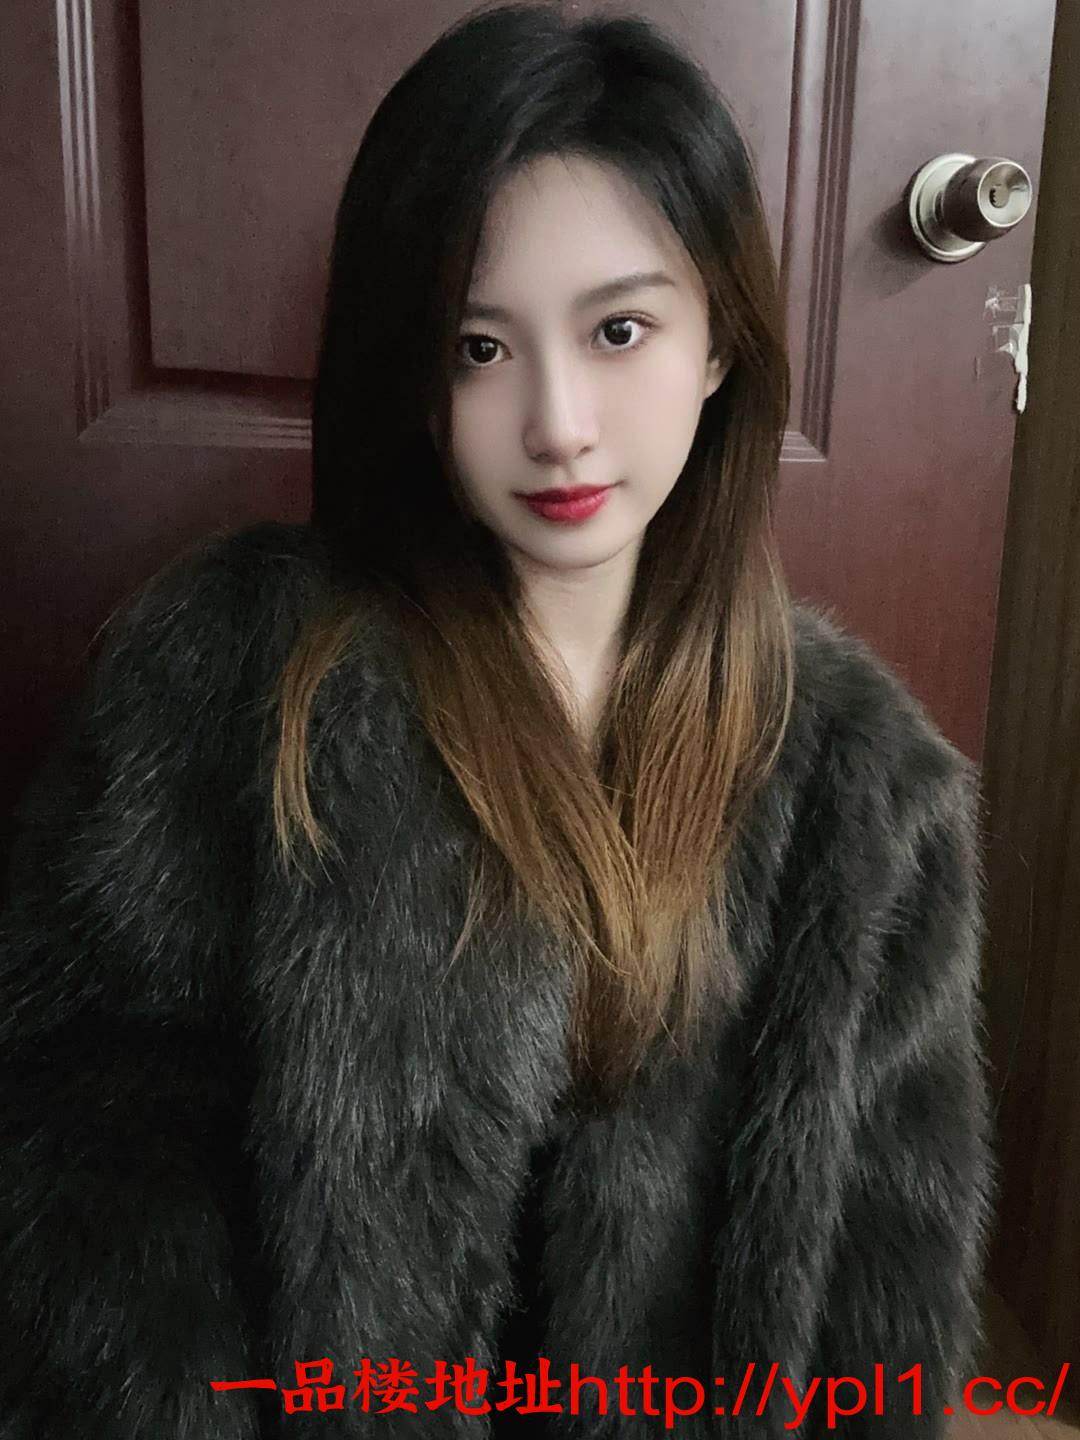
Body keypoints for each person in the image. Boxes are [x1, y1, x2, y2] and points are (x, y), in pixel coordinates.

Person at [0, 4, 994, 1437]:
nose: (559, 423)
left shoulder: (864, 784)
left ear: (723, 341)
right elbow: (91, 1153)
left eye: (620, 329)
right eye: (478, 346)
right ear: (411, 373)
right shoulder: (233, 679)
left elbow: (887, 1279)